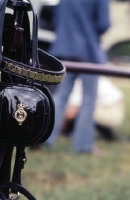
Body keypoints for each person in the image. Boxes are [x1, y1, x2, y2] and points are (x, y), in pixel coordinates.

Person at [45, 0, 111, 153]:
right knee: (89, 100)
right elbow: (104, 23)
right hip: (88, 49)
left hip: (65, 48)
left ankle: (45, 139)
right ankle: (83, 146)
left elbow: (56, 20)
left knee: (60, 96)